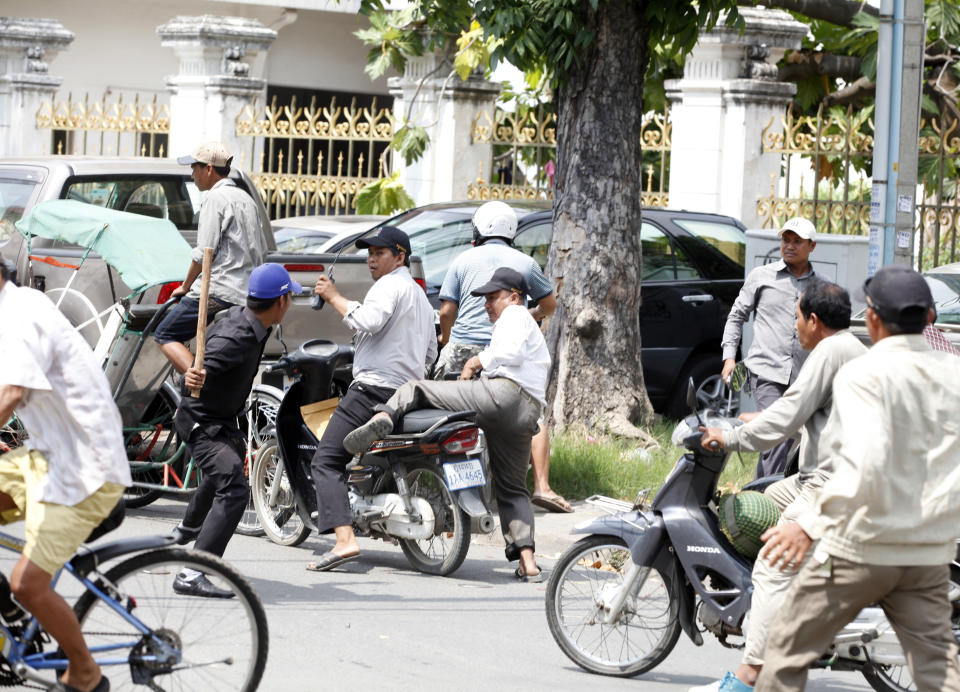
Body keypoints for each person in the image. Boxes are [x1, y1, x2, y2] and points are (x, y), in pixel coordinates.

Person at [755, 265, 960, 691]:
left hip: (863, 549)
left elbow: (860, 463)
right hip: (928, 553)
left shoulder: (863, 374)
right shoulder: (953, 374)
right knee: (939, 674)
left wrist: (807, 527)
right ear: (929, 319)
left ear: (871, 319)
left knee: (784, 653)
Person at [692, 280, 866, 692]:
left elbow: (789, 415)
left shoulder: (830, 351)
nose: (793, 326)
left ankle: (751, 675)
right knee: (762, 499)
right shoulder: (847, 347)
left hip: (830, 482)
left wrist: (730, 436)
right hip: (817, 474)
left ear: (815, 321)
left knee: (773, 559)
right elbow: (802, 411)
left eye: (797, 317)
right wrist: (747, 420)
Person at [345, 267, 550, 582]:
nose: (487, 305)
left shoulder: (516, 316)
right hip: (526, 413)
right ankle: (528, 561)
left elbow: (507, 353)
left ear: (514, 297)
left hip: (502, 396)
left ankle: (382, 417)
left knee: (417, 388)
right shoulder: (532, 328)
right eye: (485, 299)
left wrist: (475, 361)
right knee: (512, 488)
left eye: (493, 298)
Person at [0, 253, 131, 692]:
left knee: (28, 584)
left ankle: (85, 671)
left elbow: (12, 392)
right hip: (47, 458)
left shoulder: (19, 313)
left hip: (85, 472)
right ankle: (13, 617)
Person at [307, 226, 436, 572]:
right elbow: (430, 353)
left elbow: (369, 319)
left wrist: (334, 296)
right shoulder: (420, 298)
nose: (371, 260)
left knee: (326, 460)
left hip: (373, 390)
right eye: (369, 253)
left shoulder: (389, 286)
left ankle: (345, 540)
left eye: (380, 253)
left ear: (400, 257)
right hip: (408, 394)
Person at [170, 263, 299, 598]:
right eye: (290, 297)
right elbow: (195, 372)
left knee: (225, 470)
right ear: (281, 301)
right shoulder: (235, 336)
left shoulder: (252, 321)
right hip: (201, 421)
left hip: (223, 419)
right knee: (235, 487)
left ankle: (188, 529)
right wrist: (193, 374)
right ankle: (192, 571)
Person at [435, 201, 568, 513]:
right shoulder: (525, 263)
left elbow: (446, 311)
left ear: (479, 229)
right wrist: (528, 314)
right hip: (508, 350)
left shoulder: (462, 259)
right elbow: (550, 306)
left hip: (464, 349)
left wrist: (446, 339)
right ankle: (542, 487)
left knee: (438, 409)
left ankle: (435, 483)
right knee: (533, 412)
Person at [154, 141, 267, 374]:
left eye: (195, 168)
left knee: (164, 333)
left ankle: (200, 380)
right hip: (245, 293)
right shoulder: (246, 198)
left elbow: (205, 252)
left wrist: (185, 287)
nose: (192, 174)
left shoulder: (215, 199)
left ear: (208, 169)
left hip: (220, 290)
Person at [721, 217, 820, 478]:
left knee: (790, 440)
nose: (789, 246)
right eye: (785, 240)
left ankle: (765, 493)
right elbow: (736, 317)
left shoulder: (821, 286)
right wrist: (729, 358)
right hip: (766, 372)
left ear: (812, 246)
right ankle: (765, 500)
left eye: (797, 241)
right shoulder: (761, 276)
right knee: (774, 435)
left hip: (804, 375)